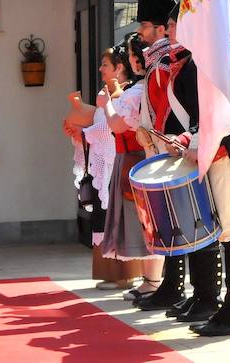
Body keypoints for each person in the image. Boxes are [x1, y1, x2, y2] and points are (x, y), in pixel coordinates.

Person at [159, 4, 230, 337]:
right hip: (210, 152)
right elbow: (203, 118)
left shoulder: (229, 60)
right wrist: (186, 138)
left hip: (228, 154)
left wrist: (197, 141)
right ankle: (225, 307)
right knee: (222, 230)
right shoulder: (206, 60)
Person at [129, 0, 188, 313]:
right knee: (168, 222)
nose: (141, 34)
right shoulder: (159, 60)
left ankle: (174, 286)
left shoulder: (167, 60)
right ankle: (170, 285)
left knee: (176, 222)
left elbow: (168, 108)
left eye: (145, 27)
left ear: (159, 28)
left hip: (171, 146)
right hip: (161, 145)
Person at [64, 45, 142, 292]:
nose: (101, 69)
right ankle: (110, 272)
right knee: (103, 218)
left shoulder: (127, 93)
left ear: (119, 68)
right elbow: (100, 127)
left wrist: (84, 132)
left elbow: (111, 129)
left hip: (119, 162)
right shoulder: (107, 95)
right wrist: (79, 132)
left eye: (105, 65)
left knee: (117, 218)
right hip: (105, 163)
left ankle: (125, 274)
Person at [94, 35, 166, 299]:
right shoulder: (137, 89)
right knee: (143, 221)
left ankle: (153, 281)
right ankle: (151, 281)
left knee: (147, 221)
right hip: (130, 157)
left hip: (136, 156)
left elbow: (119, 126)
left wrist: (108, 105)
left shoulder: (135, 91)